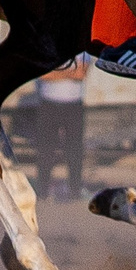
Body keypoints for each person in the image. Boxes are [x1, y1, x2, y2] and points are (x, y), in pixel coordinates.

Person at [27, 54, 90, 201]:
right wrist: (69, 72)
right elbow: (43, 75)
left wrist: (56, 70)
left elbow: (81, 74)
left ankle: (75, 189)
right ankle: (42, 190)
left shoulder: (82, 49)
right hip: (48, 103)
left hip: (74, 104)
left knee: (74, 149)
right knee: (46, 149)